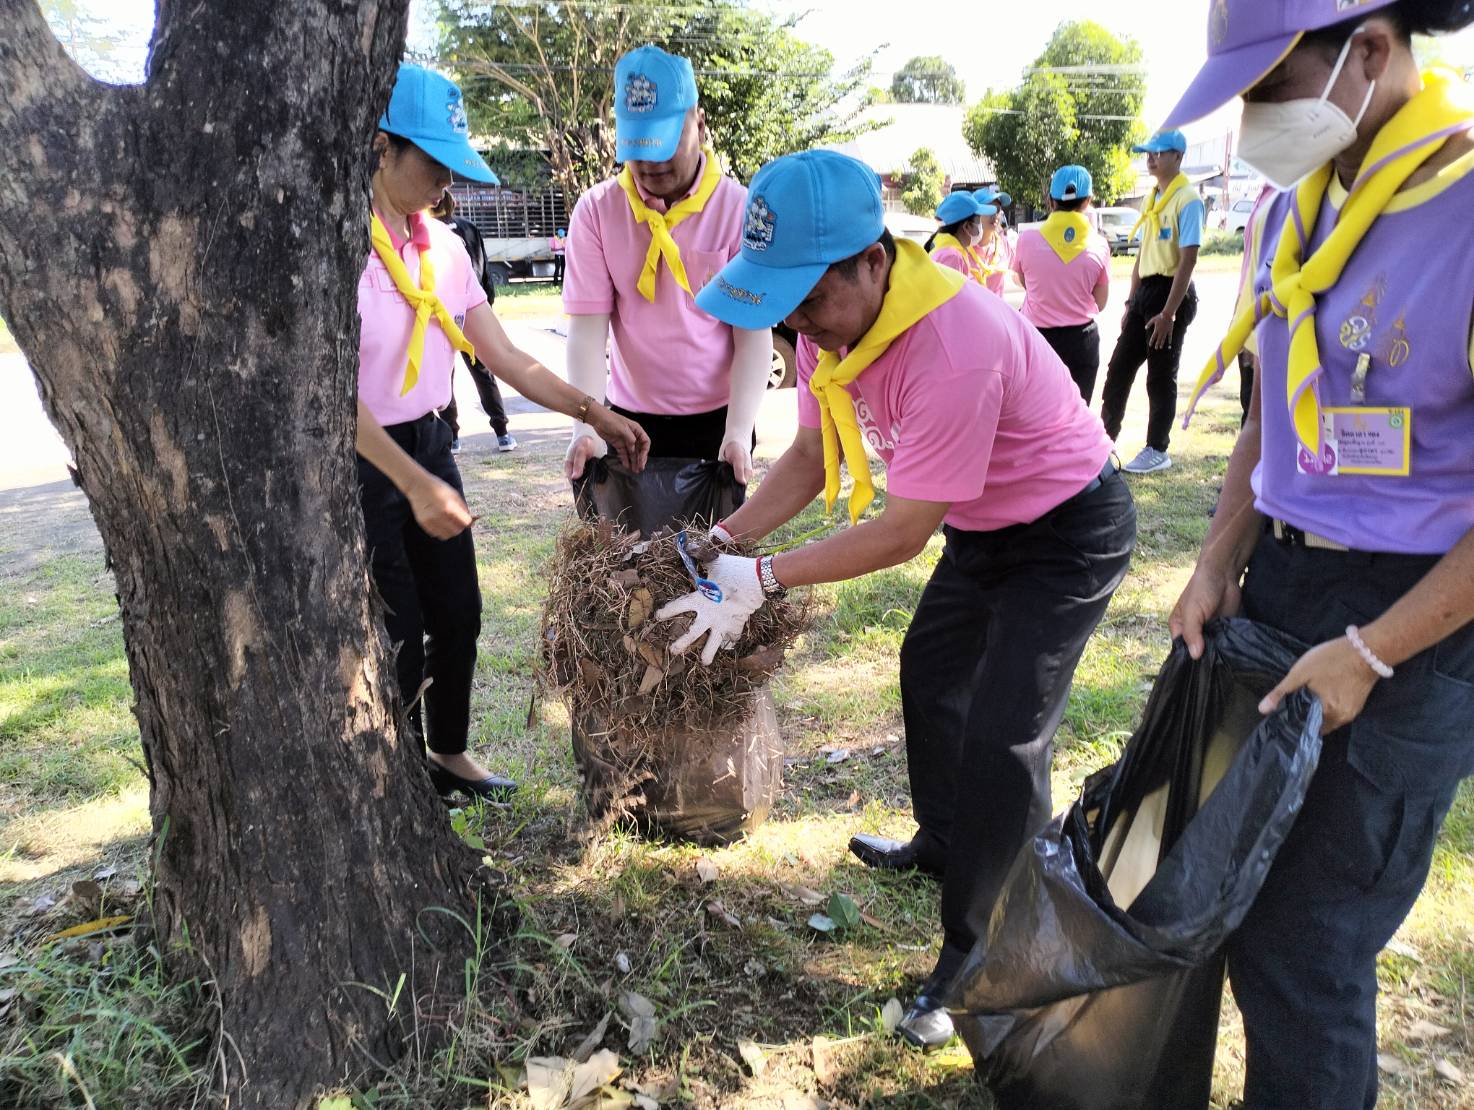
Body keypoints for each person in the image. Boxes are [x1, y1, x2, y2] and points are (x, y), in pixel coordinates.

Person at [659, 150, 1137, 1048]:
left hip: (1068, 531)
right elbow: (809, 458)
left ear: (873, 262)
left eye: (811, 297)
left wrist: (762, 579)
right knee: (931, 669)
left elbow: (904, 530)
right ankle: (945, 842)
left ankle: (984, 957)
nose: (800, 323)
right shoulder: (828, 329)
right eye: (787, 303)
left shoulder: (952, 343)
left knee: (1005, 735)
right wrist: (725, 539)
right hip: (986, 527)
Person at [1166, 2, 1474, 1106]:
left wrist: (1373, 651)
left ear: (1371, 52)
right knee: (1221, 892)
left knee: (1309, 948)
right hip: (1285, 582)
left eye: (1267, 91)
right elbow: (1274, 412)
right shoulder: (1290, 208)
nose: (1251, 122)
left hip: (1416, 619)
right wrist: (1218, 557)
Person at [356, 64, 649, 800]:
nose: (446, 182)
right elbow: (326, 397)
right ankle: (401, 780)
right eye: (433, 162)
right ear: (383, 148)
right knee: (395, 627)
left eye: (453, 165)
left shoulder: (445, 248)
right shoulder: (340, 249)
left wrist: (594, 411)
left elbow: (507, 357)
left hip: (429, 444)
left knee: (459, 612)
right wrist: (409, 482)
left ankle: (449, 754)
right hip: (362, 458)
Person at [561, 45, 771, 486]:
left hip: (719, 420)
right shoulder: (597, 211)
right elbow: (587, 331)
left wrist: (738, 430)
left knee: (715, 532)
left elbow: (752, 335)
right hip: (626, 421)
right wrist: (588, 426)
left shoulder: (739, 209)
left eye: (664, 140)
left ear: (699, 123)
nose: (651, 162)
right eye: (638, 144)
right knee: (628, 534)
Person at [1098, 129, 1204, 474]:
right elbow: (1143, 253)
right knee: (1119, 368)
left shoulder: (1188, 200)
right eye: (1148, 153)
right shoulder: (1152, 198)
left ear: (1178, 156)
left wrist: (1169, 313)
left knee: (1159, 377)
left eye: (1158, 152)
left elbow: (1188, 259)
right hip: (1145, 292)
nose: (1151, 158)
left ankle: (1157, 448)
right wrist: (1131, 302)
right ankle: (1103, 443)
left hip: (1171, 293)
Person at [1012, 165, 1114, 403]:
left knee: (1036, 412)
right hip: (1081, 342)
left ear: (1050, 201)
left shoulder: (1027, 240)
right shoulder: (1099, 245)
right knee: (1076, 412)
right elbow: (1101, 302)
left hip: (1038, 341)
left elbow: (1026, 282)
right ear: (1088, 201)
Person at [430, 191, 518, 454]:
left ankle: (452, 436)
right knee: (483, 372)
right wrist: (487, 303)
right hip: (472, 308)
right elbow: (484, 268)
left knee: (445, 375)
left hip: (442, 312)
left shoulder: (429, 233)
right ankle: (502, 433)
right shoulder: (468, 228)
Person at [924, 191, 996, 284]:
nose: (980, 225)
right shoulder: (952, 256)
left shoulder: (943, 246)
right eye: (978, 220)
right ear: (967, 226)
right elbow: (954, 293)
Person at [969, 186, 1015, 296]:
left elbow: (1018, 272)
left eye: (998, 210)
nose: (994, 215)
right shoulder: (962, 247)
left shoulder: (1003, 244)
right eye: (989, 209)